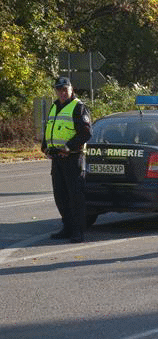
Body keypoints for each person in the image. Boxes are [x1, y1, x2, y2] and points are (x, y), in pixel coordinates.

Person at [41, 77, 92, 243]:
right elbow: (50, 129)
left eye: (65, 89)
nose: (62, 92)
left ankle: (78, 231)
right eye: (59, 89)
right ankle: (67, 227)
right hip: (57, 158)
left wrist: (68, 148)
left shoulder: (78, 107)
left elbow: (86, 133)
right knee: (60, 196)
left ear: (71, 89)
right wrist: (45, 148)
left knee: (75, 196)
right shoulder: (55, 106)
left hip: (73, 158)